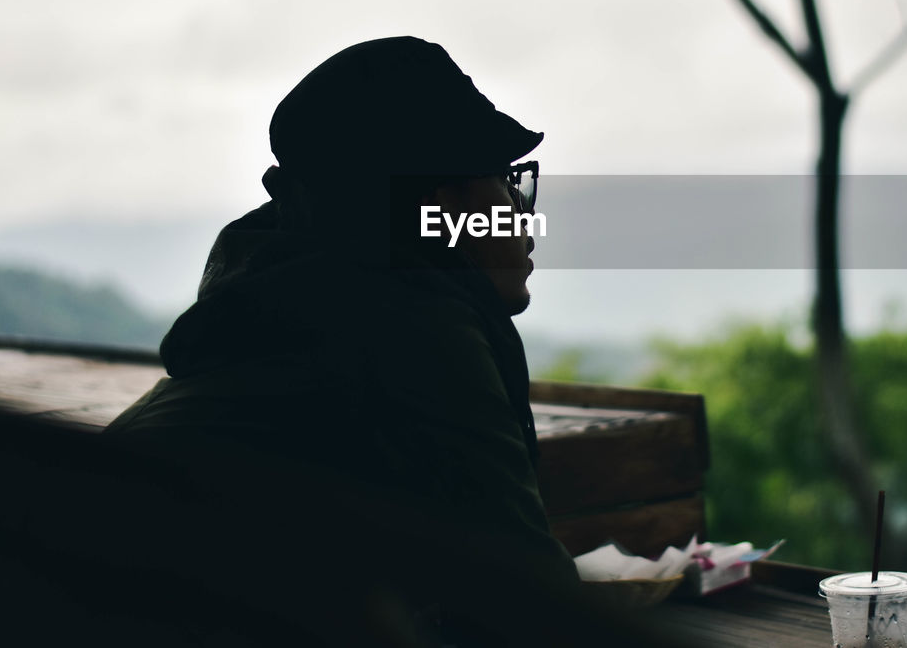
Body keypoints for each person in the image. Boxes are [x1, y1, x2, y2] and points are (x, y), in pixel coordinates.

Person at [103, 36, 577, 641]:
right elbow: (537, 604)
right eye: (509, 183)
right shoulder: (413, 329)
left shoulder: (296, 305)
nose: (523, 210)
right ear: (438, 206)